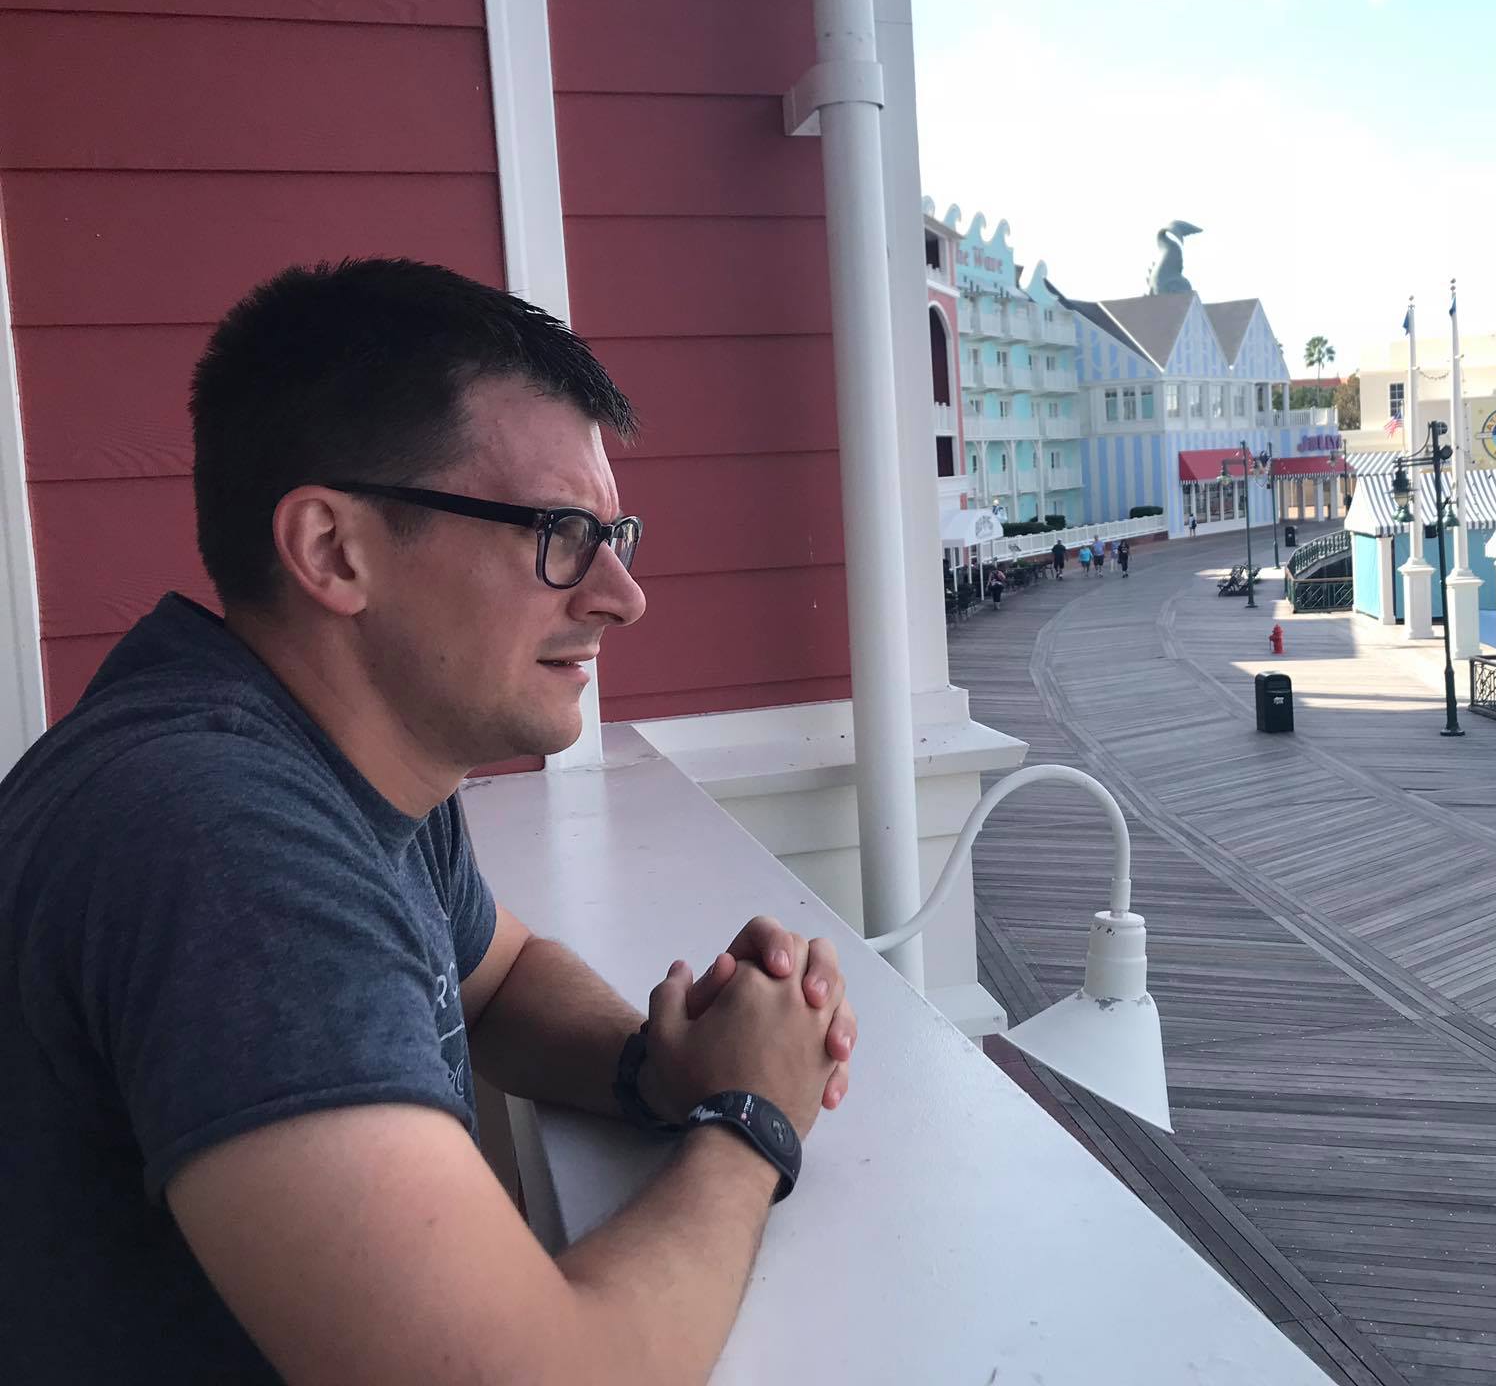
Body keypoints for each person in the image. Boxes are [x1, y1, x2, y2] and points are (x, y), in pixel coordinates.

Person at [0, 259, 859, 1386]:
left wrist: (654, 1069)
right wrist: (752, 1122)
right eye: (558, 532)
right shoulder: (218, 838)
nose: (619, 593)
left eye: (615, 534)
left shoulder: (335, 751)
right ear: (332, 552)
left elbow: (494, 977)